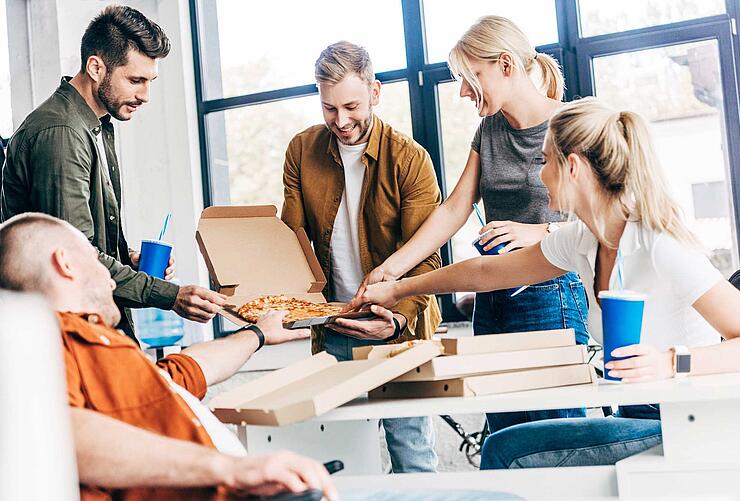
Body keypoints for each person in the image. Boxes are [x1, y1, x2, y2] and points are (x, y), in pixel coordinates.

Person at [352, 97, 740, 469]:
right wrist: (398, 287)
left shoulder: (660, 245)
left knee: (504, 450)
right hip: (638, 412)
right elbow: (487, 272)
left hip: (688, 424)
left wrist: (670, 362)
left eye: (545, 162)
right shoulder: (584, 239)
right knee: (505, 441)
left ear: (572, 167)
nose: (540, 174)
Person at [354, 15, 588, 433]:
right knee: (502, 431)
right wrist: (393, 268)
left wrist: (542, 232)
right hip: (492, 296)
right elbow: (454, 209)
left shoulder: (572, 125)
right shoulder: (489, 129)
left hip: (551, 293)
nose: (462, 90)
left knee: (554, 434)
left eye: (469, 76)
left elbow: (601, 216)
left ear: (505, 65)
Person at [0, 212, 338, 500]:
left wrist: (258, 333)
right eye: (98, 258)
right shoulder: (38, 342)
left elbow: (181, 374)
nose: (114, 281)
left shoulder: (96, 345)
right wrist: (234, 468)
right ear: (66, 263)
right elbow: (59, 432)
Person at [0, 5, 225, 341]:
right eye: (135, 80)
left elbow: (83, 241)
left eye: (150, 81)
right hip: (68, 338)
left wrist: (127, 259)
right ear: (95, 67)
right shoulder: (61, 133)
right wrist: (171, 296)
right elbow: (74, 260)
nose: (145, 95)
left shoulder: (94, 124)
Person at [280, 41, 442, 473]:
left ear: (375, 91)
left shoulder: (410, 160)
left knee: (413, 455)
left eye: (350, 105)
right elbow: (290, 241)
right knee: (343, 457)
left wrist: (398, 316)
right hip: (334, 325)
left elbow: (428, 260)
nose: (341, 121)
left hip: (400, 331)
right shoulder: (301, 151)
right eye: (328, 108)